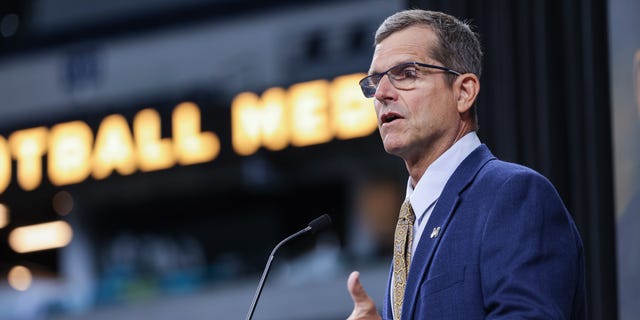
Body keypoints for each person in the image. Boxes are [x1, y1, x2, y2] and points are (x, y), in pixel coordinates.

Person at [346, 9, 586, 320]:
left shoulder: (513, 195)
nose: (382, 93)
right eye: (375, 81)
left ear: (464, 92)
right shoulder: (412, 221)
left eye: (406, 73)